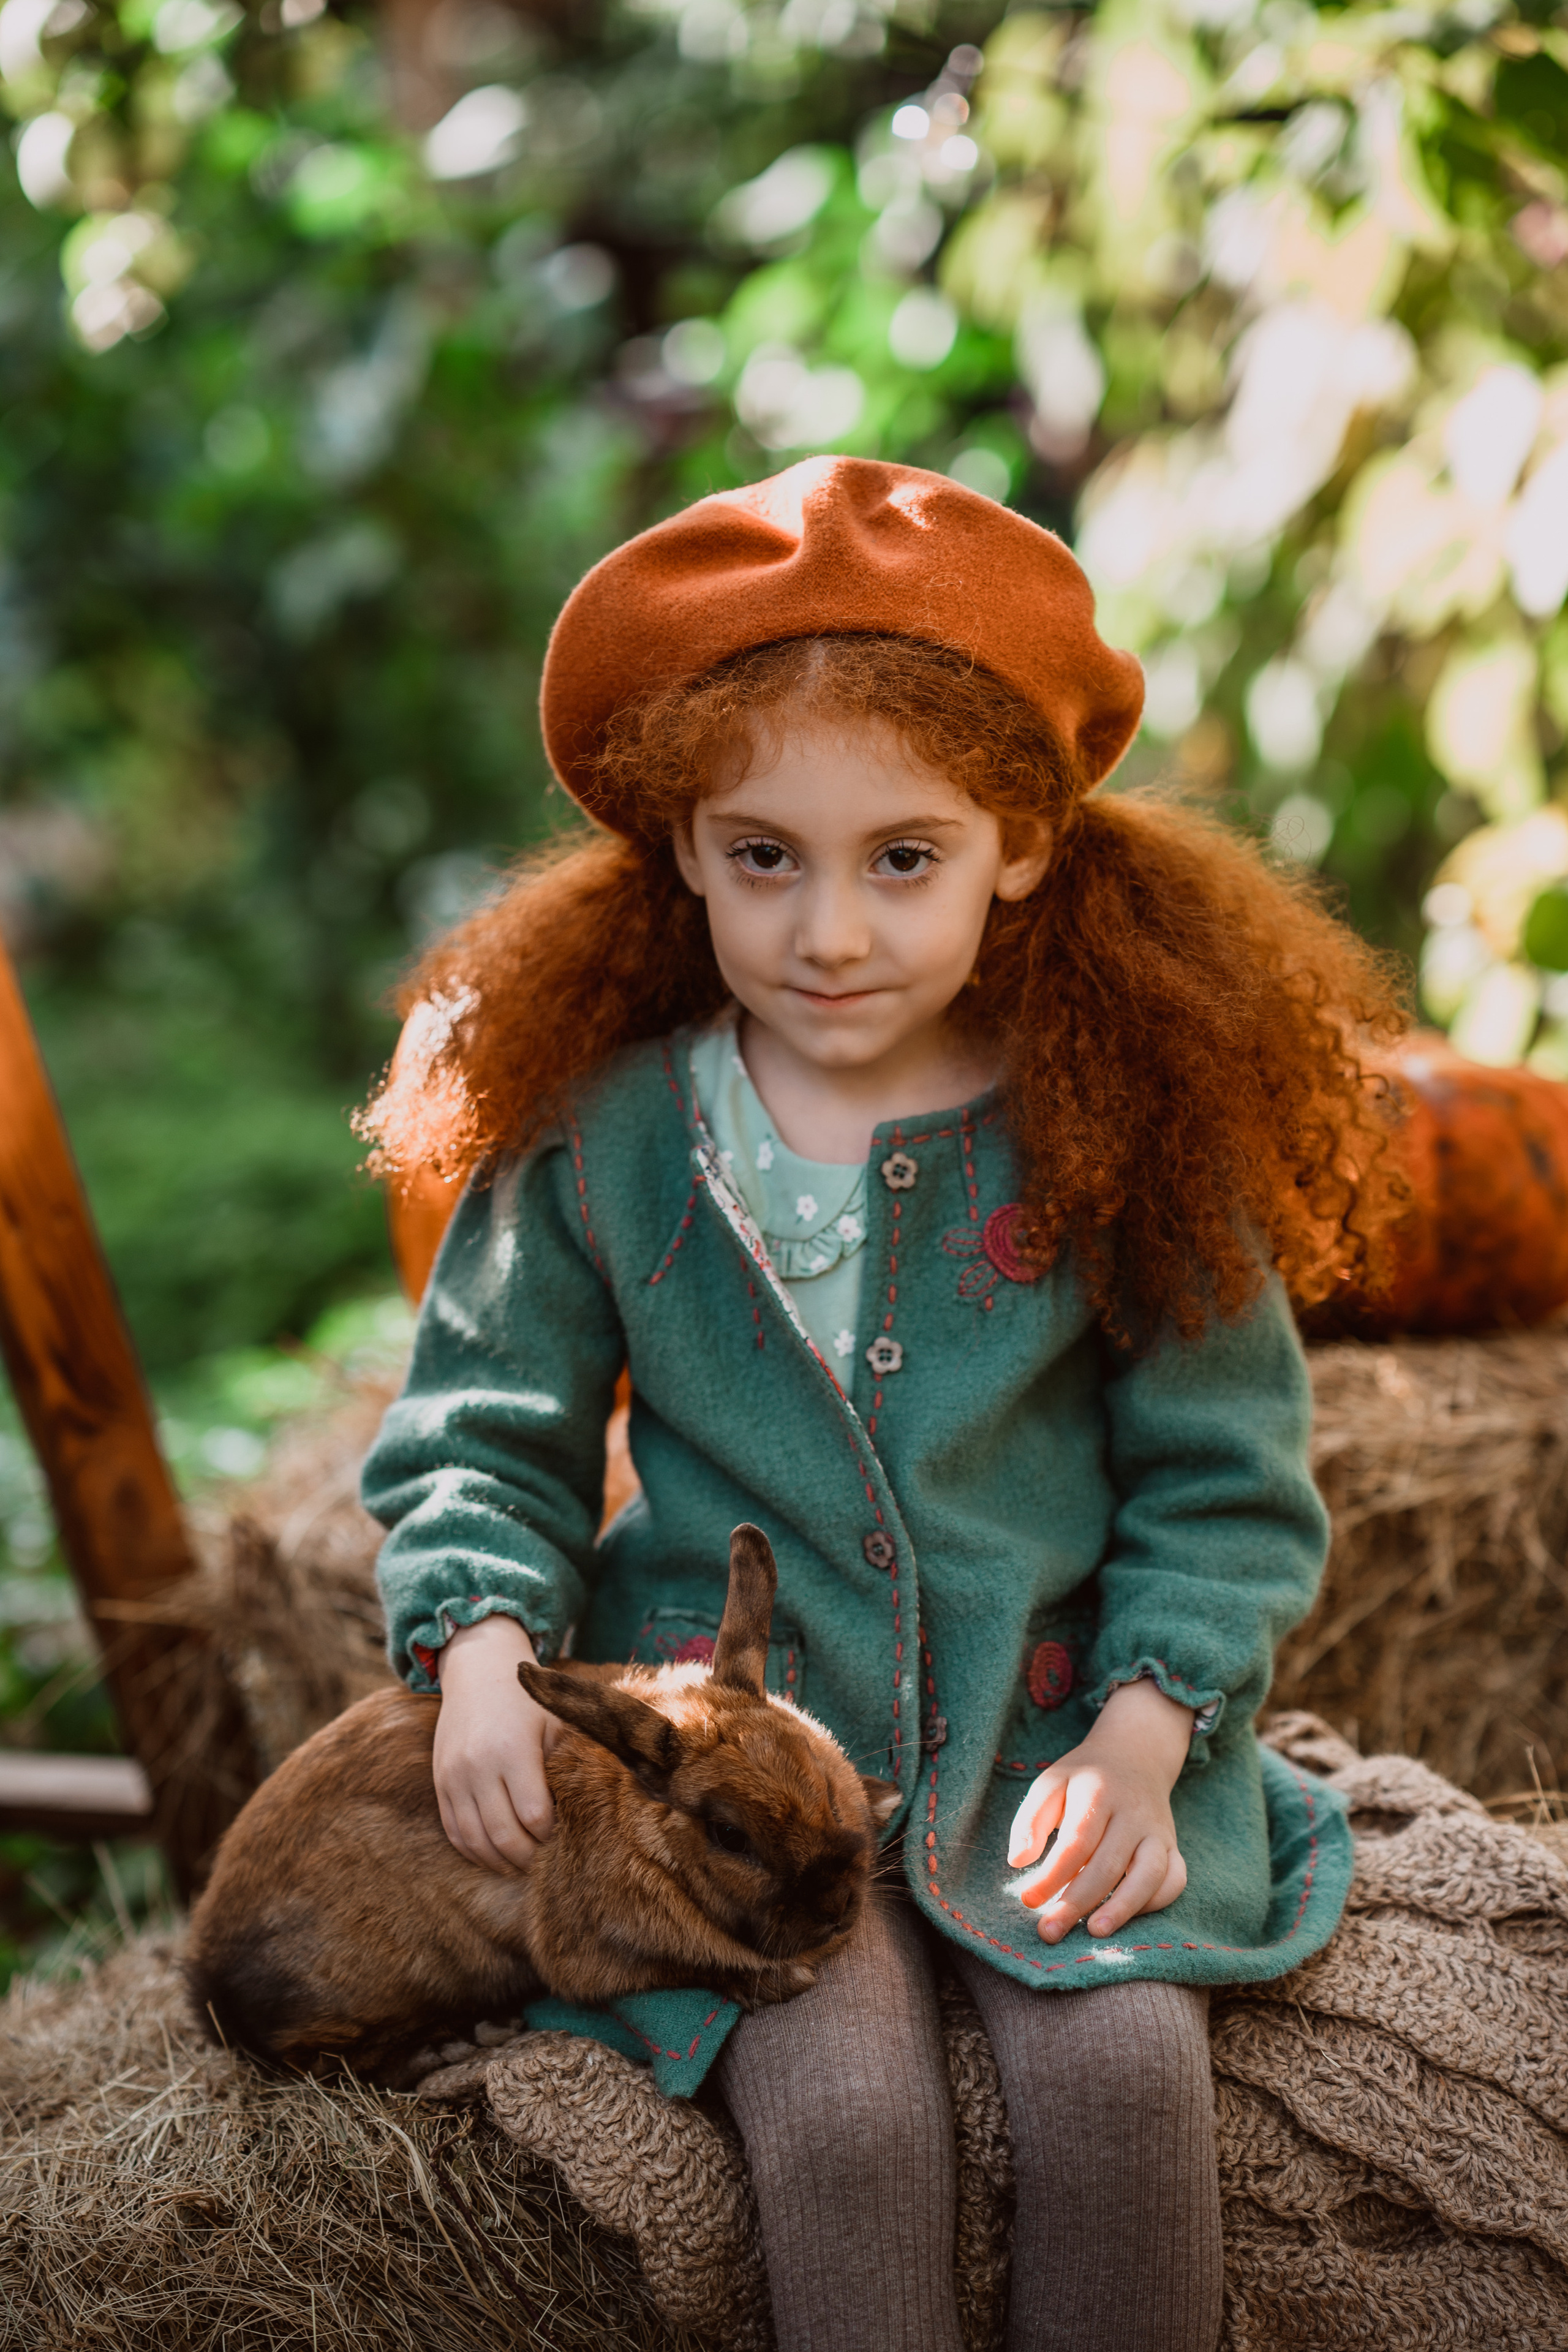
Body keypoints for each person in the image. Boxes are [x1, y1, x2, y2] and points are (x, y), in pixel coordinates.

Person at [358, 456, 1404, 2352]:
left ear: (1022, 844)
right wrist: (486, 1649)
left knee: (1127, 2085)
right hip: (725, 1781)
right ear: (684, 850)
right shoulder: (606, 1136)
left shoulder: (1118, 1131)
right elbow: (483, 1429)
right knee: (843, 2123)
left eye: (902, 859)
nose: (828, 931)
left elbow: (1225, 1480)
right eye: (765, 856)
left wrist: (1147, 1740)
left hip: (1049, 1739)